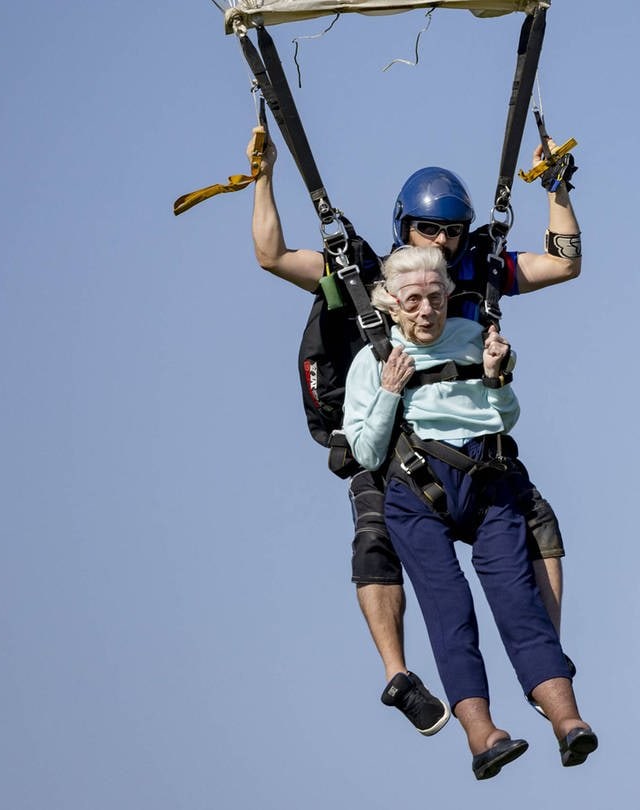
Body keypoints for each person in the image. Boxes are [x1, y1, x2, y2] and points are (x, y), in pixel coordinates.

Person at [249, 128, 583, 733]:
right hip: (388, 439)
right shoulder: (368, 275)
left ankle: (543, 659)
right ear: (405, 227)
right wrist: (264, 177)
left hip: (469, 441)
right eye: (430, 230)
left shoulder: (475, 275)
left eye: (453, 231)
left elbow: (563, 263)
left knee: (539, 521)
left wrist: (557, 189)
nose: (443, 242)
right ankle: (398, 675)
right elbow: (273, 256)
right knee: (375, 537)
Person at [342, 246, 597, 779]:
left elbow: (505, 416)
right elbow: (365, 455)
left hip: (486, 483)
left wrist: (496, 377)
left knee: (518, 601)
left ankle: (568, 721)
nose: (426, 311)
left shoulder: (475, 339)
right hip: (417, 493)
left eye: (435, 298)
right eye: (413, 301)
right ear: (391, 303)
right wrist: (389, 391)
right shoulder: (371, 361)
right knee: (449, 609)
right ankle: (483, 737)